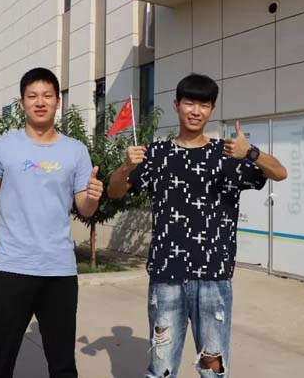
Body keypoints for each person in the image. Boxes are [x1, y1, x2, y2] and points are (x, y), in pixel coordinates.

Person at [108, 73, 287, 377]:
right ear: (176, 104)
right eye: (189, 102)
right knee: (161, 368)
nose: (195, 111)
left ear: (212, 109)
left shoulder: (228, 155)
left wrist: (251, 152)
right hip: (167, 276)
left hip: (214, 277)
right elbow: (114, 192)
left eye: (203, 105)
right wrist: (126, 166)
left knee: (213, 369)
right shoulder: (157, 155)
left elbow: (280, 173)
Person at [0, 67, 103, 378]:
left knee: (63, 365)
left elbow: (84, 208)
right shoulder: (1, 146)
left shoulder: (75, 150)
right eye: (32, 96)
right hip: (11, 267)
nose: (40, 102)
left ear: (58, 101)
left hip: (59, 270)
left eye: (47, 96)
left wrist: (94, 196)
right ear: (22, 103)